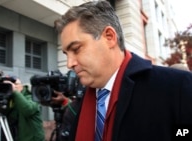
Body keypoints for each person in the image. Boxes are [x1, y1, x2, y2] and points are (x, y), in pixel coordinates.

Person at [54, 1, 192, 141]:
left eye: (76, 49)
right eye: (66, 54)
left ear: (109, 37)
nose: (69, 64)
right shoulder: (83, 100)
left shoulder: (177, 86)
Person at [4, 76, 45, 141]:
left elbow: (28, 110)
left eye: (15, 84)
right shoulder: (11, 99)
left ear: (21, 86)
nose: (13, 87)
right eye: (11, 85)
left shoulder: (32, 96)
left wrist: (15, 92)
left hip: (33, 139)